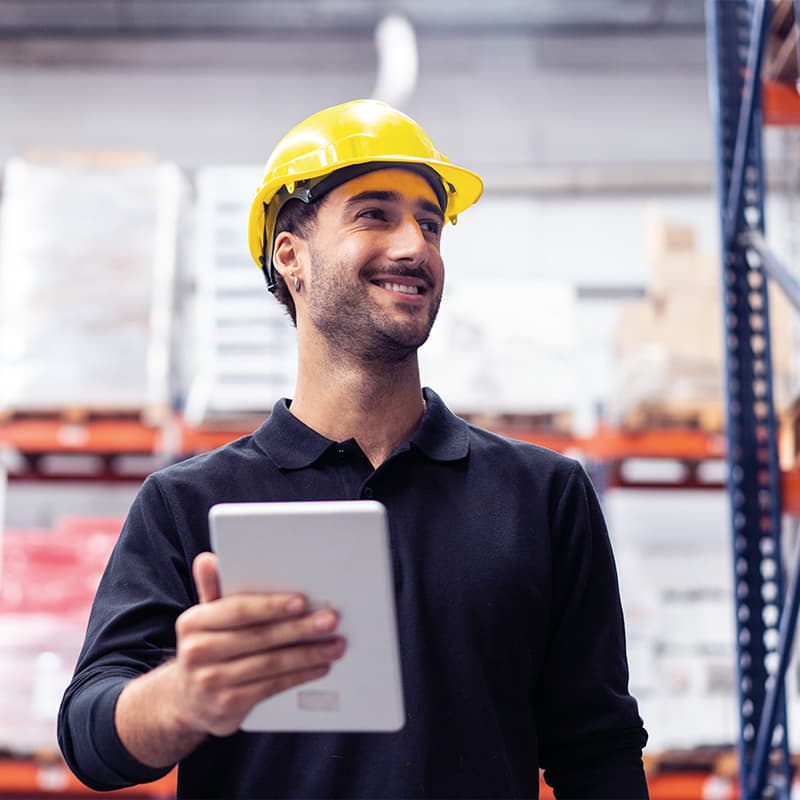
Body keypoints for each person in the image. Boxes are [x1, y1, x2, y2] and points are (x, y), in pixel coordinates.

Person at [58, 99, 648, 799]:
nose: (415, 246)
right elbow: (91, 736)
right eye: (375, 214)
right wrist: (181, 697)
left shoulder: (543, 497)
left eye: (430, 225)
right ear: (291, 257)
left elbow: (598, 752)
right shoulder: (188, 503)